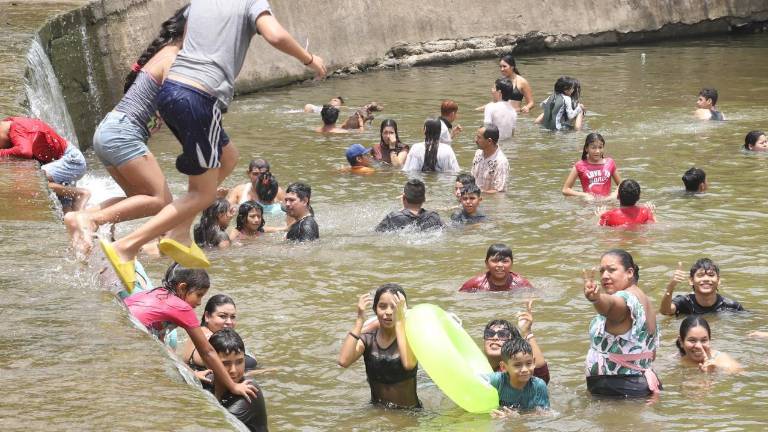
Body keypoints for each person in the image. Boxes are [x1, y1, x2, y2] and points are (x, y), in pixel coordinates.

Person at [99, 0, 327, 291]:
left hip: (172, 93)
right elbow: (275, 35)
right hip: (200, 98)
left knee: (228, 156)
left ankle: (180, 231)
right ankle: (128, 247)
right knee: (202, 193)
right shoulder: (251, 3)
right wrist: (310, 59)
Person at [64, 7, 187, 253]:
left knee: (138, 199)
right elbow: (181, 104)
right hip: (123, 132)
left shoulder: (165, 54)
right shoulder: (173, 58)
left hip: (111, 131)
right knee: (161, 201)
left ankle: (83, 218)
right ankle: (92, 220)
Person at [124, 263, 257, 401]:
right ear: (182, 288)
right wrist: (233, 386)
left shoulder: (157, 293)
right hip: (130, 341)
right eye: (199, 295)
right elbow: (208, 351)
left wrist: (191, 373)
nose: (200, 302)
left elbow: (161, 346)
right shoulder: (180, 307)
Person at [583, 249, 661, 397]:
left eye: (612, 270)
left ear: (630, 272)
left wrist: (596, 298)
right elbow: (652, 354)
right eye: (602, 271)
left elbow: (611, 305)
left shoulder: (625, 299)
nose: (605, 276)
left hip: (618, 391)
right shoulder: (644, 300)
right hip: (640, 387)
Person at [337, 284, 419, 408]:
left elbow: (408, 364)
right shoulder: (368, 339)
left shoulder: (411, 337)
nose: (388, 312)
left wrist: (400, 320)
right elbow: (344, 361)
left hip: (409, 413)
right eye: (382, 306)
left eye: (394, 307)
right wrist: (360, 320)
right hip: (377, 411)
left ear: (403, 309)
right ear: (375, 309)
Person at [0, 117, 88, 212]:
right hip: (58, 163)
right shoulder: (10, 124)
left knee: (35, 180)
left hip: (71, 161)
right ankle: (82, 215)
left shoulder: (16, 128)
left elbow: (24, 151)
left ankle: (80, 193)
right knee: (68, 215)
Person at [181, 294, 259, 381]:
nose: (229, 322)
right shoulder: (211, 340)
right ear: (207, 316)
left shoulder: (198, 333)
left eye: (232, 317)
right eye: (222, 316)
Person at [207, 329, 268, 432]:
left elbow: (216, 427)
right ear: (209, 363)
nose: (234, 370)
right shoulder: (207, 380)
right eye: (226, 363)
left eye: (239, 362)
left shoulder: (249, 389)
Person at [482, 302, 550, 383]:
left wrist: (527, 332)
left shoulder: (516, 373)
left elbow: (542, 376)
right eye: (490, 334)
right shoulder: (475, 365)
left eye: (503, 334)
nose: (495, 338)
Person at [485, 339, 550, 418]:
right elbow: (476, 380)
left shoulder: (538, 386)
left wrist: (518, 417)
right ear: (504, 367)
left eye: (529, 363)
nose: (525, 370)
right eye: (517, 365)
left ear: (534, 362)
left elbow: (545, 414)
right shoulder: (498, 380)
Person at [659, 258, 745, 315]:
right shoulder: (684, 302)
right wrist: (671, 286)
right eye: (700, 275)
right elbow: (665, 311)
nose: (706, 279)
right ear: (691, 281)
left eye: (711, 275)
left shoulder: (731, 306)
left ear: (718, 280)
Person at [562, 132, 621, 200]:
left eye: (600, 147)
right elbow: (565, 190)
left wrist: (614, 194)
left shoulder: (610, 163)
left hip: (607, 203)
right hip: (589, 205)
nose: (597, 151)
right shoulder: (579, 165)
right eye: (593, 148)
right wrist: (584, 195)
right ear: (586, 149)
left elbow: (621, 185)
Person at [676, 316, 741, 374]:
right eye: (692, 340)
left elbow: (739, 372)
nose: (699, 346)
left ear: (710, 340)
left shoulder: (721, 360)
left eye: (704, 340)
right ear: (681, 341)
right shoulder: (676, 359)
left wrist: (716, 370)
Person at [375, 179, 444, 232]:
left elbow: (377, 233)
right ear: (424, 199)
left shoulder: (393, 217)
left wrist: (402, 209)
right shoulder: (434, 217)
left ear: (403, 198)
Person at [460, 243, 532, 292]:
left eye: (505, 261)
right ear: (486, 263)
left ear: (512, 264)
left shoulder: (522, 284)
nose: (500, 265)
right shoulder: (475, 284)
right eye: (495, 261)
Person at [471, 125, 509, 193]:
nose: (475, 140)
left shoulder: (501, 162)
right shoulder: (478, 154)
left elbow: (499, 191)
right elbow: (472, 178)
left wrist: (477, 193)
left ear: (489, 141)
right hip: (475, 199)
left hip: (491, 202)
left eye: (479, 137)